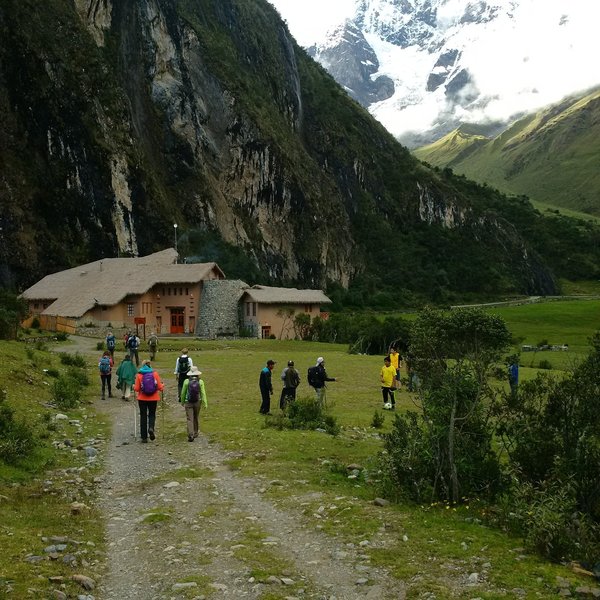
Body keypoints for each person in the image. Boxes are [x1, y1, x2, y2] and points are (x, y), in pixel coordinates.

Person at [133, 360, 164, 443]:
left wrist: (133, 386)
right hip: (153, 398)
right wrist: (162, 385)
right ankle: (151, 428)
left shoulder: (139, 375)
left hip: (142, 398)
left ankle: (144, 437)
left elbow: (137, 389)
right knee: (152, 414)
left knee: (143, 415)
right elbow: (160, 387)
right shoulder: (155, 374)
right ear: (150, 365)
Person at [179, 366, 207, 442]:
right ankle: (195, 432)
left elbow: (183, 393)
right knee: (196, 417)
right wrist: (205, 402)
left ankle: (190, 434)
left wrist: (182, 401)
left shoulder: (186, 381)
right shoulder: (200, 381)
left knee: (189, 418)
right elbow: (203, 393)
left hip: (188, 402)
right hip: (197, 402)